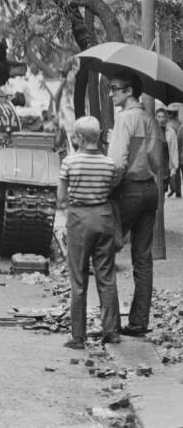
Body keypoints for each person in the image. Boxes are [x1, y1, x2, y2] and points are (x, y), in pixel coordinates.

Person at [57, 116, 122, 349]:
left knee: (78, 279)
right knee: (106, 276)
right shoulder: (109, 164)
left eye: (75, 136)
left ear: (81, 138)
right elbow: (112, 189)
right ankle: (112, 332)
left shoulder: (70, 162)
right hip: (104, 218)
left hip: (79, 220)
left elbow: (61, 198)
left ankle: (78, 336)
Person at [106, 71, 162, 337]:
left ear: (129, 92)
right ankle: (139, 323)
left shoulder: (124, 120)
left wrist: (109, 187)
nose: (111, 93)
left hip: (127, 190)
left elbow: (117, 162)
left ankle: (111, 324)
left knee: (105, 251)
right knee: (143, 259)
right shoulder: (151, 120)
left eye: (115, 88)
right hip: (150, 190)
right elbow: (157, 162)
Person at [155, 108, 178, 195]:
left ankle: (161, 208)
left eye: (163, 117)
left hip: (165, 167)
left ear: (166, 118)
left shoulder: (171, 132)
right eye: (159, 117)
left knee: (162, 192)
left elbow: (174, 150)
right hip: (155, 166)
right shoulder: (152, 130)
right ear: (155, 117)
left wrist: (173, 170)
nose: (161, 119)